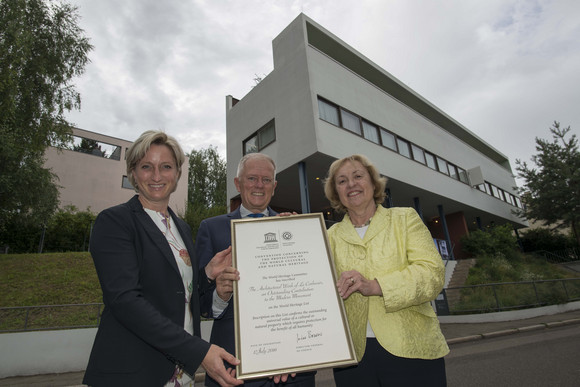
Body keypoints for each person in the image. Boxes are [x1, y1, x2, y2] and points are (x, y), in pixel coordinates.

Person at [83, 131, 243, 387]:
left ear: (177, 173)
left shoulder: (180, 228)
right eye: (147, 167)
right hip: (133, 373)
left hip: (181, 375)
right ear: (133, 172)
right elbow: (125, 301)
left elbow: (179, 293)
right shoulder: (115, 222)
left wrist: (207, 274)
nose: (157, 176)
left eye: (166, 167)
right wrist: (198, 350)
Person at [323, 154, 449, 387]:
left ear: (373, 182)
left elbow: (432, 274)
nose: (351, 184)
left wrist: (376, 285)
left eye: (358, 176)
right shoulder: (327, 237)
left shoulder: (405, 219)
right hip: (352, 358)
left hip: (412, 349)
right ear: (336, 192)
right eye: (341, 181)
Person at [196, 153, 316, 387]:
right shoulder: (211, 229)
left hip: (293, 367)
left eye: (266, 179)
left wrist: (299, 234)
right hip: (234, 369)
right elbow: (200, 305)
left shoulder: (293, 226)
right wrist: (220, 296)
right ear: (238, 183)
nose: (259, 185)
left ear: (274, 185)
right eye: (251, 178)